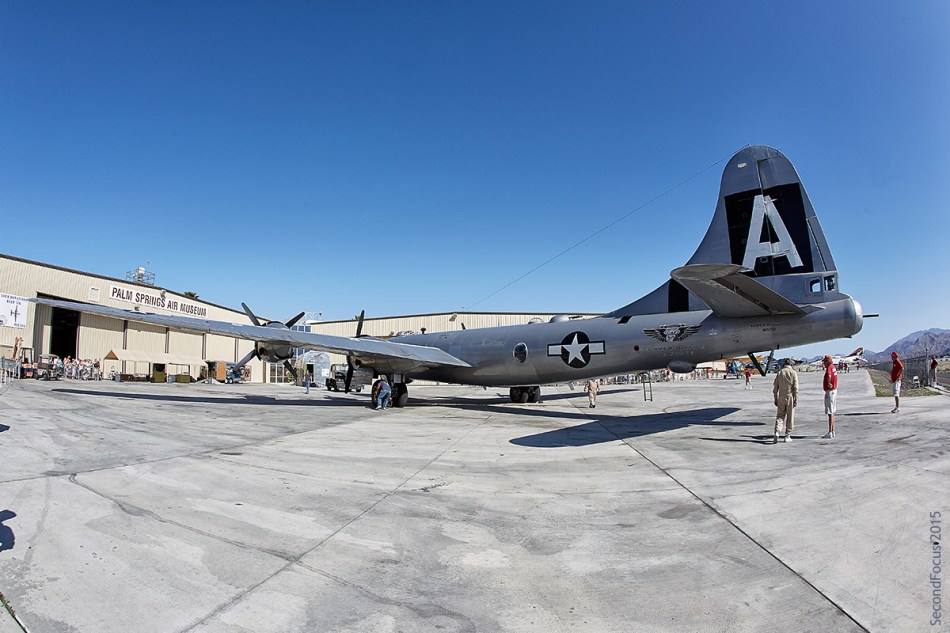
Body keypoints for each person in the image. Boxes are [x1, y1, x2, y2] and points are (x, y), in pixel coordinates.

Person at [772, 358, 798, 443]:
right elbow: (795, 387)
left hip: (781, 396)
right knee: (790, 417)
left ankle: (777, 431)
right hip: (790, 395)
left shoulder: (780, 372)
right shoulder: (793, 372)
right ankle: (787, 435)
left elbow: (775, 387)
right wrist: (795, 399)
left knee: (780, 416)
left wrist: (775, 398)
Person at [821, 355, 838, 439]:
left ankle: (830, 432)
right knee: (832, 411)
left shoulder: (829, 368)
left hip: (830, 392)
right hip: (834, 391)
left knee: (830, 412)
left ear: (828, 361)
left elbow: (829, 375)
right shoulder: (833, 367)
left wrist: (828, 383)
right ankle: (833, 430)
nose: (824, 363)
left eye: (825, 362)